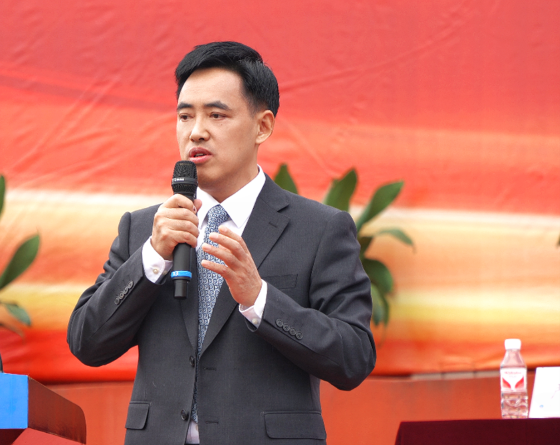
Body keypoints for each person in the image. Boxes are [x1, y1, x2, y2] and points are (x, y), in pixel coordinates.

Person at [67, 41, 376, 444]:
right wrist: (151, 259)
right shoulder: (144, 229)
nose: (196, 131)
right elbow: (87, 343)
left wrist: (260, 299)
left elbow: (353, 357)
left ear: (262, 126)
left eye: (216, 114)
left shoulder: (318, 229)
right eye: (184, 116)